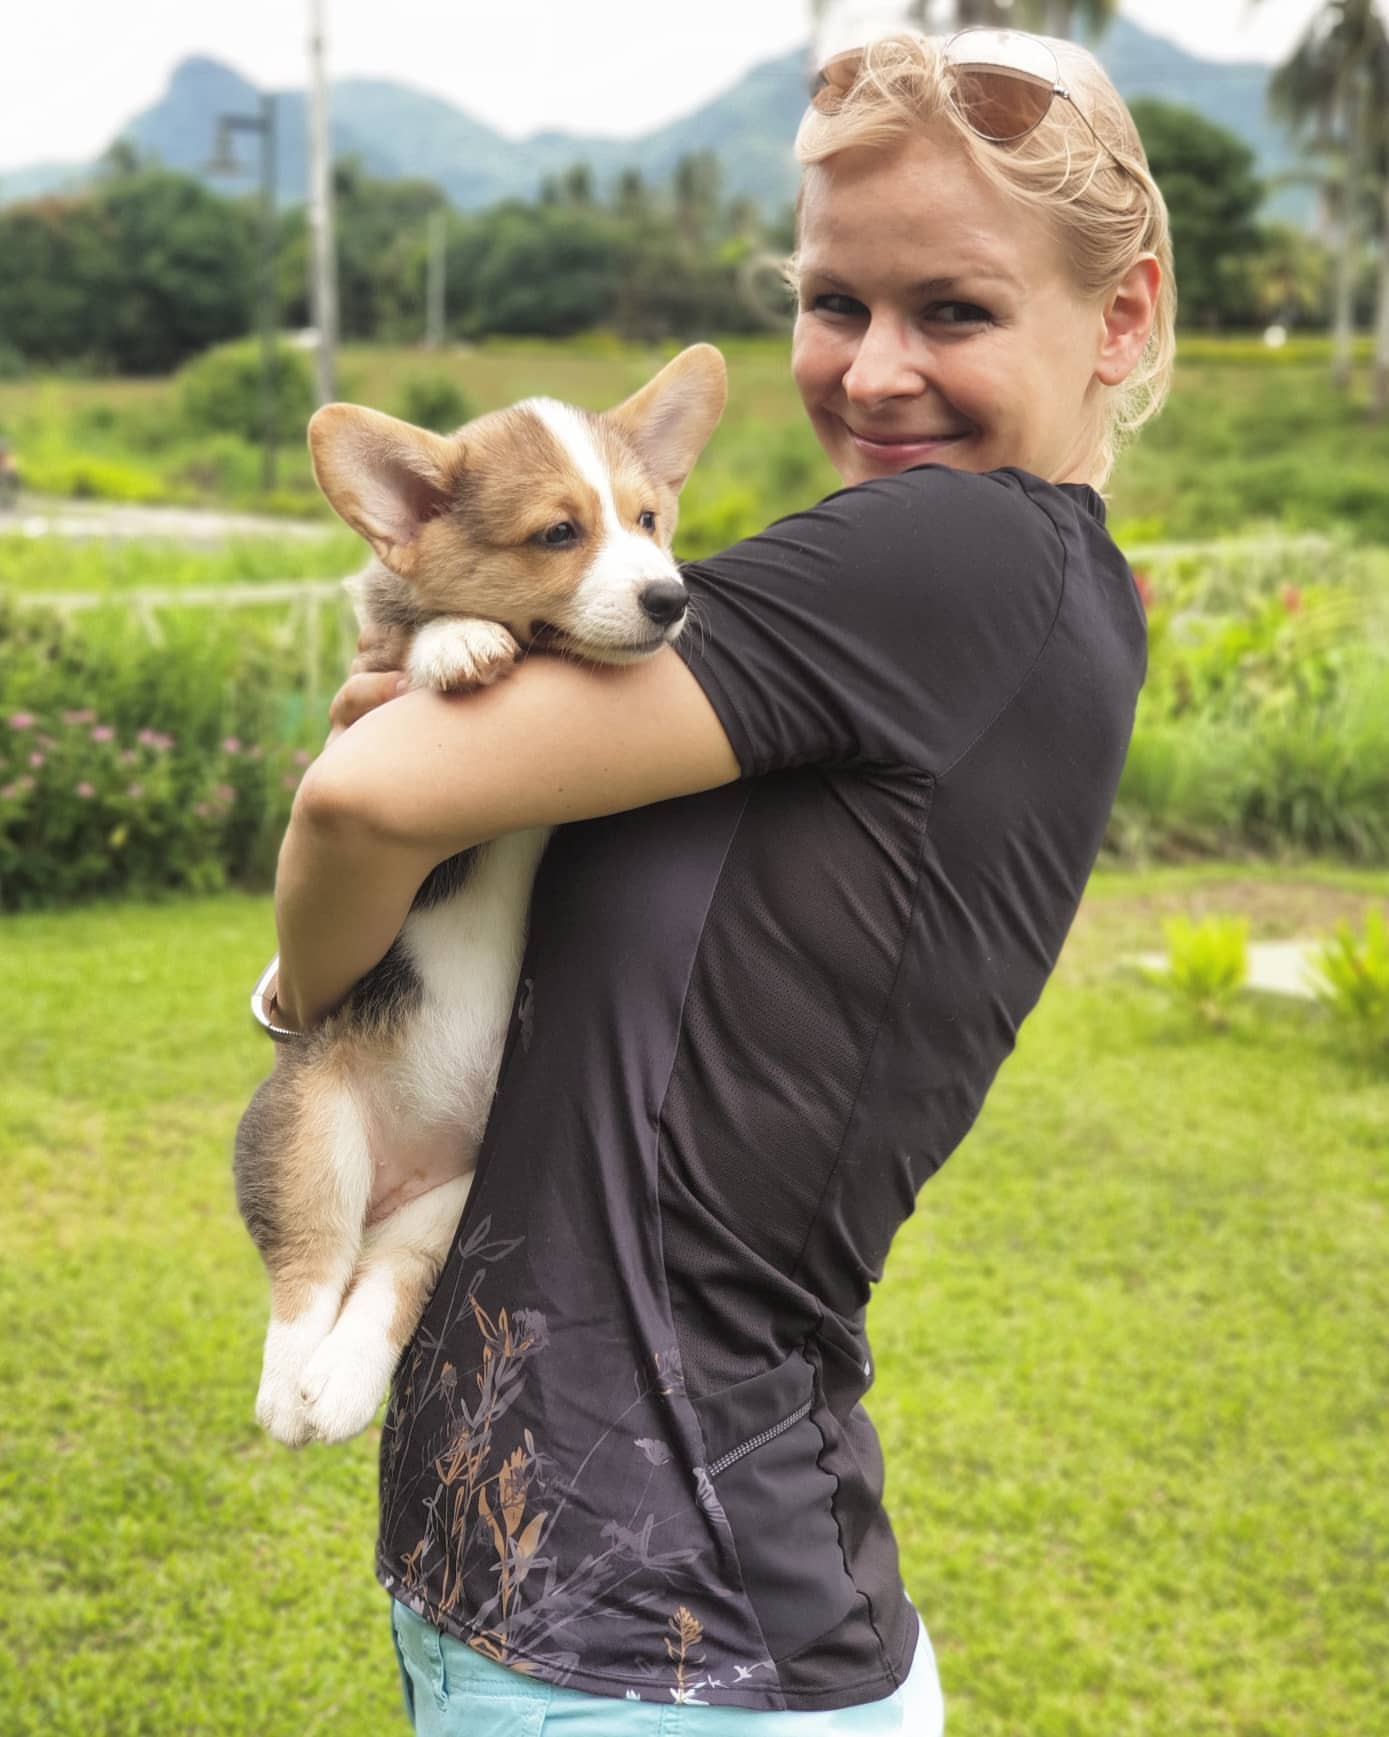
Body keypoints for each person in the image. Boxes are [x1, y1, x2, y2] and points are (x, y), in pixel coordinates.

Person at [264, 25, 1171, 1733]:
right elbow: (400, 842)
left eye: (952, 309)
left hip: (670, 1635)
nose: (873, 369)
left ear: (1117, 316)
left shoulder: (946, 545)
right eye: (833, 303)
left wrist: (336, 904)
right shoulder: (1031, 596)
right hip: (598, 1592)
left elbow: (362, 794)